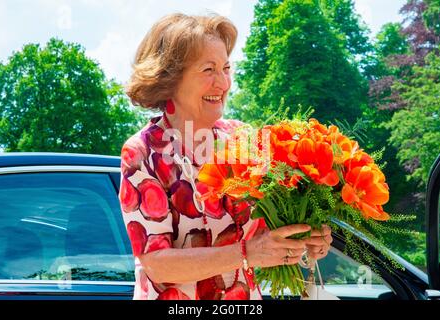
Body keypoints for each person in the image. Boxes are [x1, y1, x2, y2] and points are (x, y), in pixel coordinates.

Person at [119, 13, 332, 300]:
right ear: (170, 77)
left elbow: (269, 236)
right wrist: (246, 253)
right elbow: (157, 265)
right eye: (209, 70)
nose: (223, 83)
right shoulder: (142, 152)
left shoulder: (242, 139)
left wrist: (305, 238)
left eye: (226, 68)